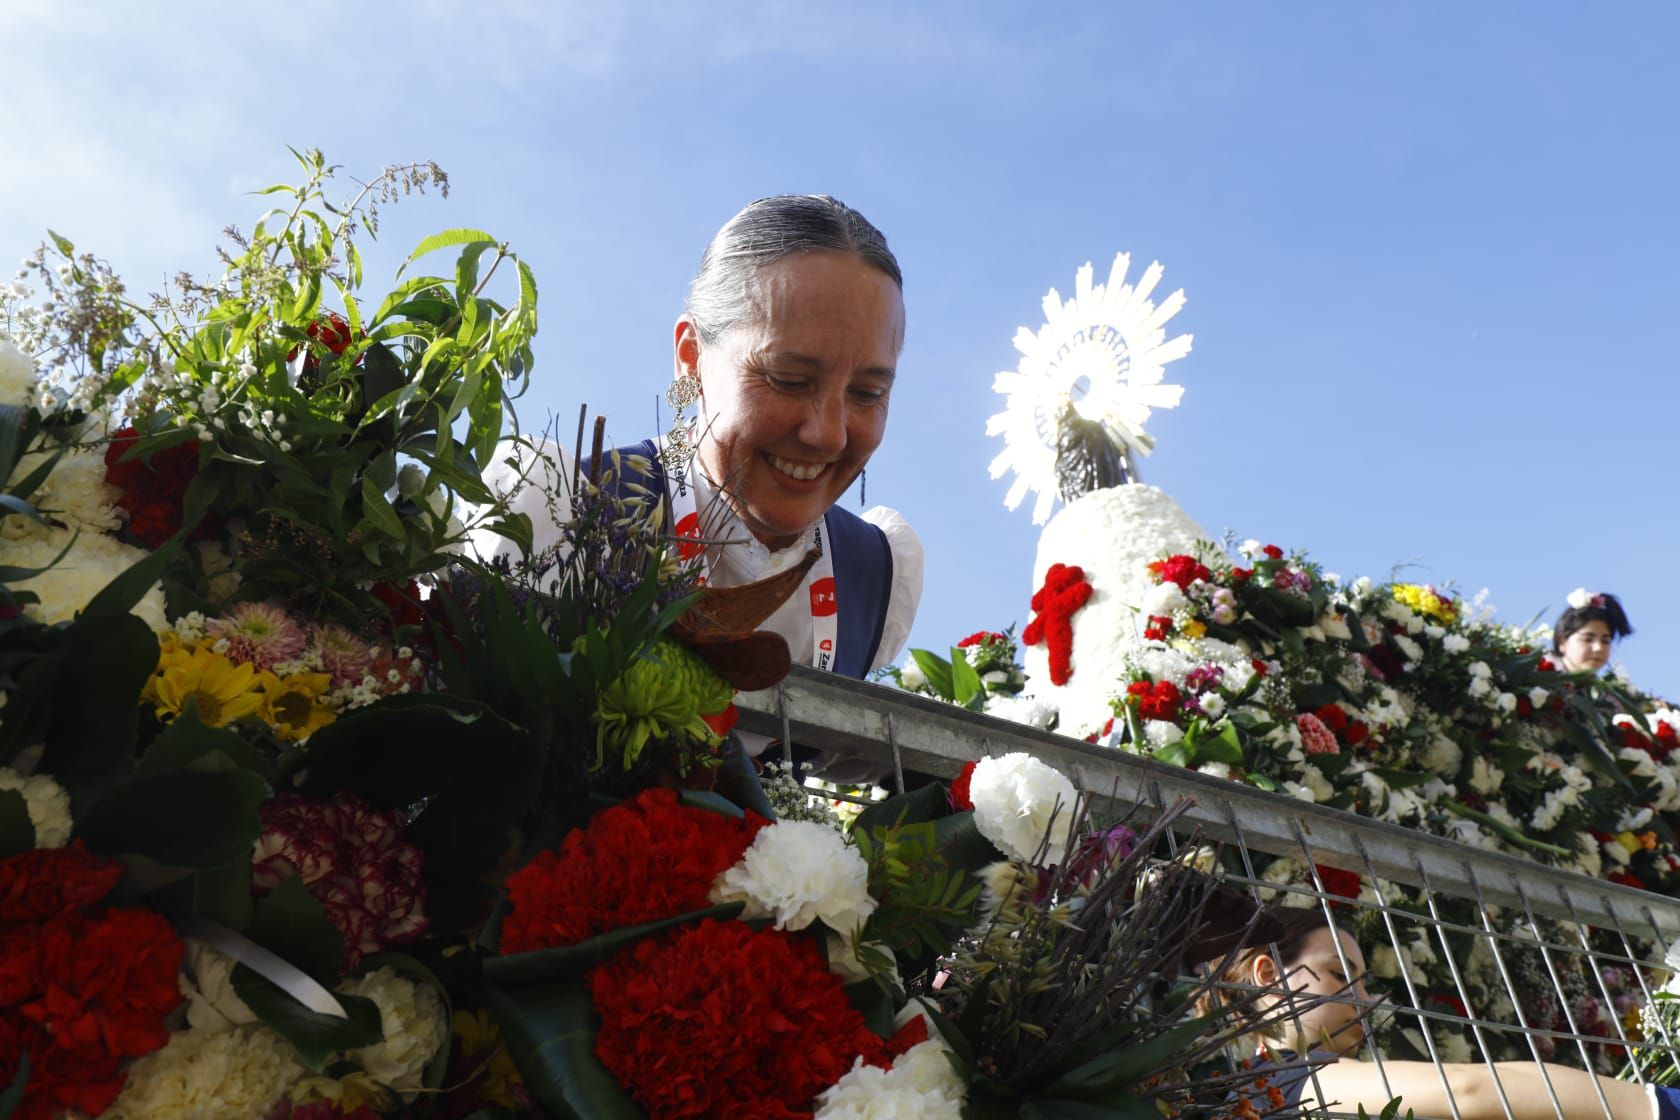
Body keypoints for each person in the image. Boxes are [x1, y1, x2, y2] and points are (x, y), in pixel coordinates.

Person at [485, 195, 922, 686]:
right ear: (691, 357)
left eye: (867, 393)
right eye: (788, 379)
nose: (827, 434)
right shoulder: (556, 510)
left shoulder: (877, 571)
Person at [1212, 904, 1679, 1119]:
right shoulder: (1287, 1081)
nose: (1366, 1000)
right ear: (1268, 975)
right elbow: (1466, 1089)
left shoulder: (1246, 1094)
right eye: (1340, 974)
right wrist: (1653, 1107)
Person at [1553, 591, 1633, 676]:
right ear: (1562, 643)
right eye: (1588, 639)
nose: (1598, 648)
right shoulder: (1539, 681)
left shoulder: (1603, 689)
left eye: (1605, 641)